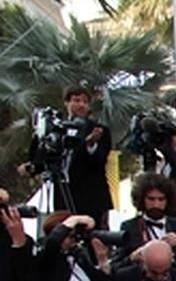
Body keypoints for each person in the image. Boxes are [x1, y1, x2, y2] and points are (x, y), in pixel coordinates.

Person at [22, 86, 113, 225]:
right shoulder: (56, 128)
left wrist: (89, 144)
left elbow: (100, 161)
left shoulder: (99, 130)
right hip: (62, 196)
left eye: (85, 102)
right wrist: (32, 166)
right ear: (67, 103)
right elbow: (44, 158)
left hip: (92, 199)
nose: (81, 105)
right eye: (76, 100)